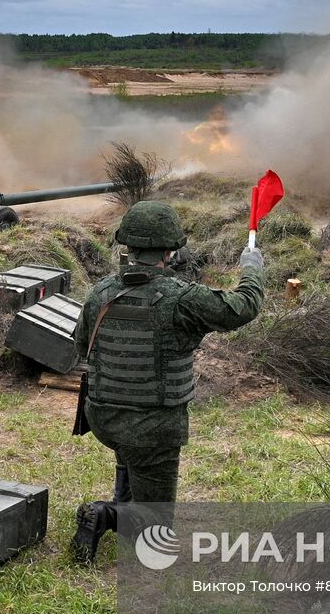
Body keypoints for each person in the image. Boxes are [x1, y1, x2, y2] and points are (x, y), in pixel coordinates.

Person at [69, 200, 264, 564]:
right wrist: (252, 266)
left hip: (104, 418)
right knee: (157, 530)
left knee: (132, 453)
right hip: (153, 426)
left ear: (127, 245)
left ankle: (123, 502)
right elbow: (244, 306)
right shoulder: (180, 299)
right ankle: (105, 515)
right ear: (171, 249)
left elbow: (81, 345)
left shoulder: (100, 292)